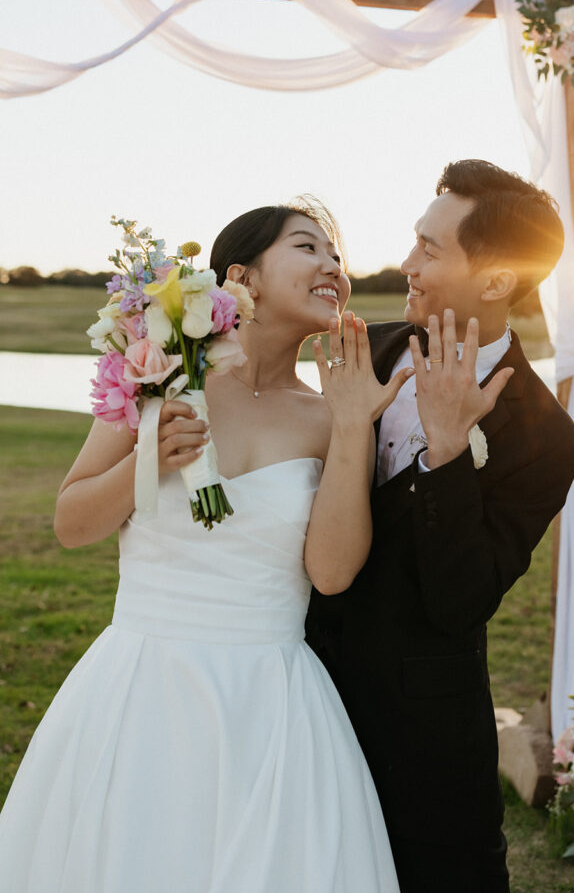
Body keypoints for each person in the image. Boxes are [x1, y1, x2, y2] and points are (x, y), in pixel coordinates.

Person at [0, 201, 412, 892]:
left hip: (271, 700)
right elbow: (71, 524)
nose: (333, 268)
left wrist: (351, 427)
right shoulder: (159, 381)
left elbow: (332, 573)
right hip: (140, 686)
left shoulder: (327, 416)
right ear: (240, 275)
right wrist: (146, 464)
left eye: (337, 258)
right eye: (310, 248)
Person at [306, 159, 574, 893]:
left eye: (430, 250)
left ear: (495, 280)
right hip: (296, 696)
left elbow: (459, 601)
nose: (406, 264)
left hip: (420, 739)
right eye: (414, 242)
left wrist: (448, 452)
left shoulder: (548, 440)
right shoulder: (361, 350)